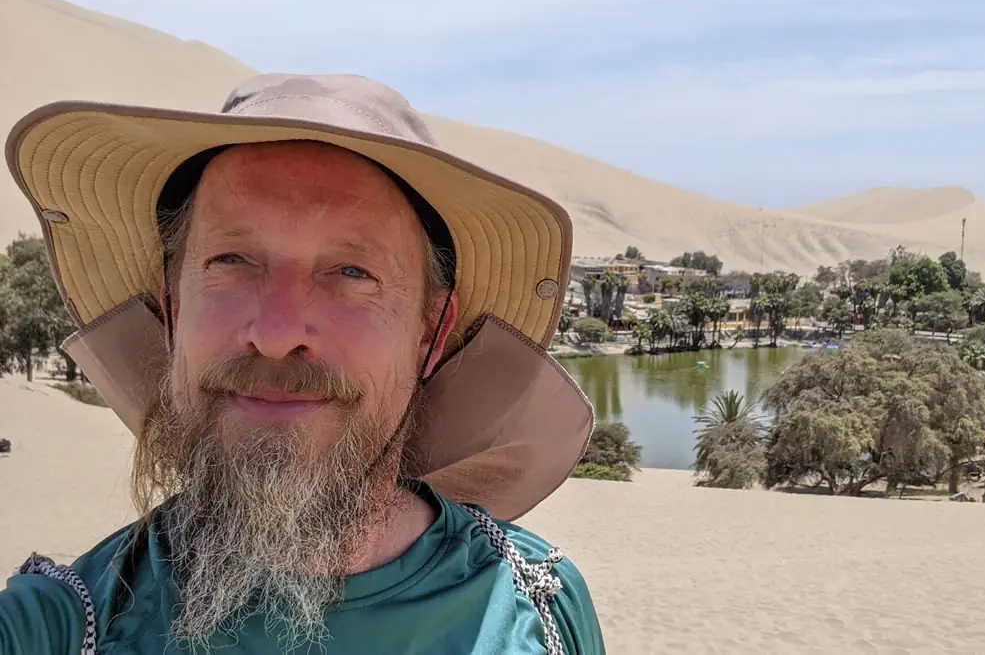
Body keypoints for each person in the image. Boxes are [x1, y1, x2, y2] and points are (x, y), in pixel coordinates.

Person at [0, 74, 603, 654]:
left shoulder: (537, 607)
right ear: (174, 307)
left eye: (353, 271)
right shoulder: (62, 626)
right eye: (231, 259)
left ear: (431, 331)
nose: (275, 334)